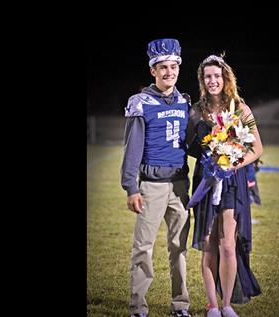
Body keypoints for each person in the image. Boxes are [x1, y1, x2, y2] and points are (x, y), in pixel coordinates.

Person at [187, 54, 263, 317]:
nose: (212, 80)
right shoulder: (196, 110)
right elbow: (188, 146)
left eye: (217, 76)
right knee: (208, 243)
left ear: (225, 78)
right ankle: (212, 306)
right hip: (206, 180)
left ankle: (227, 304)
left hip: (232, 181)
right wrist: (210, 155)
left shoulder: (241, 109)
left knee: (227, 245)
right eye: (207, 76)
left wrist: (232, 162)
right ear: (202, 80)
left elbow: (257, 149)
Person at [121, 38, 192, 317]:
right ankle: (138, 307)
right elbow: (132, 148)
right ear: (153, 70)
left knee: (179, 248)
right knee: (143, 248)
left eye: (173, 67)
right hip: (151, 186)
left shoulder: (186, 101)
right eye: (163, 67)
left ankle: (181, 305)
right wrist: (131, 187)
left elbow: (193, 143)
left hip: (179, 185)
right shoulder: (141, 102)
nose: (169, 72)